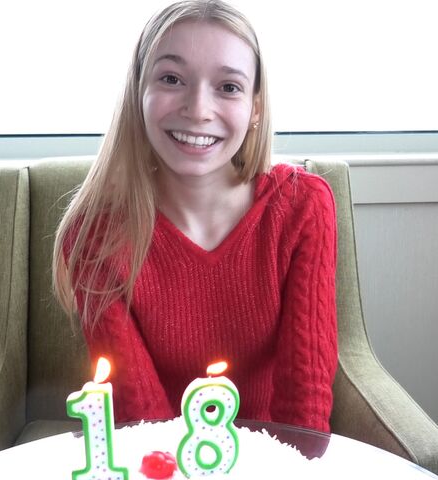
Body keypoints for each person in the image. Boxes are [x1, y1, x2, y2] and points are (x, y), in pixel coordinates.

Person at [53, 0, 337, 433]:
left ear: (255, 108)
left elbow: (305, 405)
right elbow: (139, 414)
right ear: (138, 93)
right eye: (171, 79)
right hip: (157, 457)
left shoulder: (303, 206)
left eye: (228, 87)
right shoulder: (95, 234)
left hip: (277, 456)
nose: (198, 108)